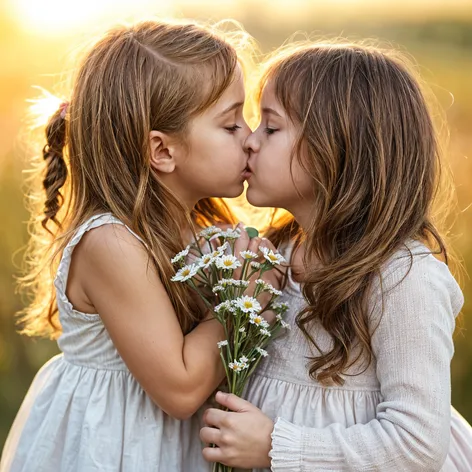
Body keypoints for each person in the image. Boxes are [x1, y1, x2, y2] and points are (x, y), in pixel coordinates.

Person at [1, 19, 260, 472]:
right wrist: (250, 296)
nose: (251, 137)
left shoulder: (200, 225)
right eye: (231, 123)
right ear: (161, 151)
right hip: (111, 449)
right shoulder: (110, 242)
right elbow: (180, 389)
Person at [200, 41, 472, 471]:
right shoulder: (275, 256)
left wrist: (275, 447)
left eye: (271, 128)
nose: (250, 141)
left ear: (337, 149)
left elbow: (417, 444)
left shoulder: (402, 279)